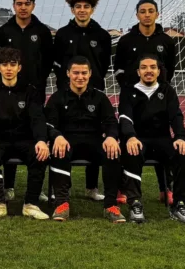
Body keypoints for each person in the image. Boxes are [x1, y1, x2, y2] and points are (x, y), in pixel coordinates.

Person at [113, 0, 178, 205]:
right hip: (132, 98)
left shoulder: (166, 41)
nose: (147, 14)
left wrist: (160, 88)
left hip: (157, 98)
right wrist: (129, 88)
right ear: (137, 15)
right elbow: (118, 68)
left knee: (161, 140)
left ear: (157, 14)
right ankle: (123, 187)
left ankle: (165, 188)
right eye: (143, 11)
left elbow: (170, 69)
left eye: (151, 11)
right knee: (127, 139)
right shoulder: (126, 40)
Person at [45, 56, 125, 223]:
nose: (80, 77)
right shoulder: (57, 97)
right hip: (67, 141)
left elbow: (111, 122)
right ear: (68, 73)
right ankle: (62, 203)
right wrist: (57, 136)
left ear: (90, 74)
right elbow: (49, 124)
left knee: (113, 152)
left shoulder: (100, 97)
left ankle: (110, 205)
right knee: (58, 150)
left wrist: (111, 137)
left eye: (83, 73)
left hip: (94, 140)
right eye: (76, 73)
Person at [51, 0, 112, 202]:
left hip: (94, 93)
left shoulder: (102, 35)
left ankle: (91, 187)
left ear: (92, 9)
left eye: (87, 6)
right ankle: (61, 187)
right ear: (72, 9)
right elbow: (57, 63)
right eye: (78, 6)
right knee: (64, 135)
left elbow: (103, 64)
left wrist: (93, 82)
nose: (82, 10)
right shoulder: (63, 34)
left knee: (94, 133)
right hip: (66, 93)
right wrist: (64, 84)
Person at [118, 54, 185, 224]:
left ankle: (179, 204)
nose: (149, 71)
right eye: (144, 67)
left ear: (159, 71)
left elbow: (176, 116)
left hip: (162, 139)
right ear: (138, 71)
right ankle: (135, 203)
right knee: (131, 150)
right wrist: (130, 137)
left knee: (182, 153)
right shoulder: (128, 91)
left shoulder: (167, 91)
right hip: (138, 139)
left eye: (153, 67)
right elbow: (125, 117)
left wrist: (180, 138)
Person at [0, 0, 53, 201]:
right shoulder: (4, 31)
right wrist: (4, 86)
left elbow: (48, 61)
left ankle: (37, 188)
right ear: (13, 6)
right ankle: (8, 186)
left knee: (34, 136)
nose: (23, 7)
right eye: (19, 3)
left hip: (34, 93)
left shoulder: (42, 31)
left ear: (33, 5)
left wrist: (37, 82)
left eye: (27, 3)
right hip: (9, 93)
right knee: (10, 133)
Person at [0, 47, 50, 220]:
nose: (8, 68)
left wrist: (41, 140)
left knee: (40, 155)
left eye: (12, 64)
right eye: (4, 64)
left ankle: (31, 204)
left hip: (24, 139)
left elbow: (37, 118)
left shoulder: (30, 91)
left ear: (19, 67)